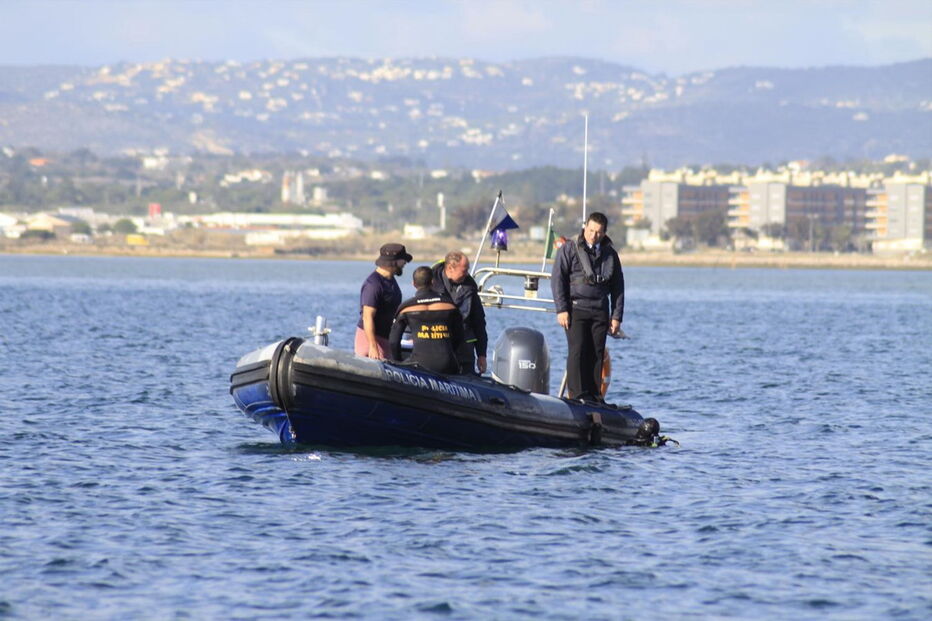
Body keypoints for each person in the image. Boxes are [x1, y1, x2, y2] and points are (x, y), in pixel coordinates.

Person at [550, 212, 624, 401]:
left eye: (598, 232)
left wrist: (616, 317)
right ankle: (576, 394)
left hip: (600, 310)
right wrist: (562, 309)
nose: (594, 235)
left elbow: (618, 287)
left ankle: (594, 395)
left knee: (596, 352)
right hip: (576, 309)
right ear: (585, 228)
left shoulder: (610, 254)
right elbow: (558, 280)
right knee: (578, 350)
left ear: (604, 233)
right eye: (591, 230)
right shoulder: (569, 248)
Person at [389, 266, 463, 374]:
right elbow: (459, 336)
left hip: (419, 364)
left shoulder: (406, 308)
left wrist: (398, 362)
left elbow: (393, 341)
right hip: (447, 364)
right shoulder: (449, 305)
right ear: (433, 282)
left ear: (414, 284)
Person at [431, 251, 488, 374]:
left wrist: (482, 354)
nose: (467, 274)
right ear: (450, 268)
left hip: (464, 352)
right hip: (438, 348)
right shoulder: (430, 285)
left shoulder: (470, 288)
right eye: (464, 270)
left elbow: (479, 322)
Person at [355, 243, 412, 359]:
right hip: (371, 339)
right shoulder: (373, 285)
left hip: (385, 338)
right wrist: (372, 346)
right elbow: (367, 317)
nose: (405, 263)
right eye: (403, 260)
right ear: (393, 261)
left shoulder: (391, 280)